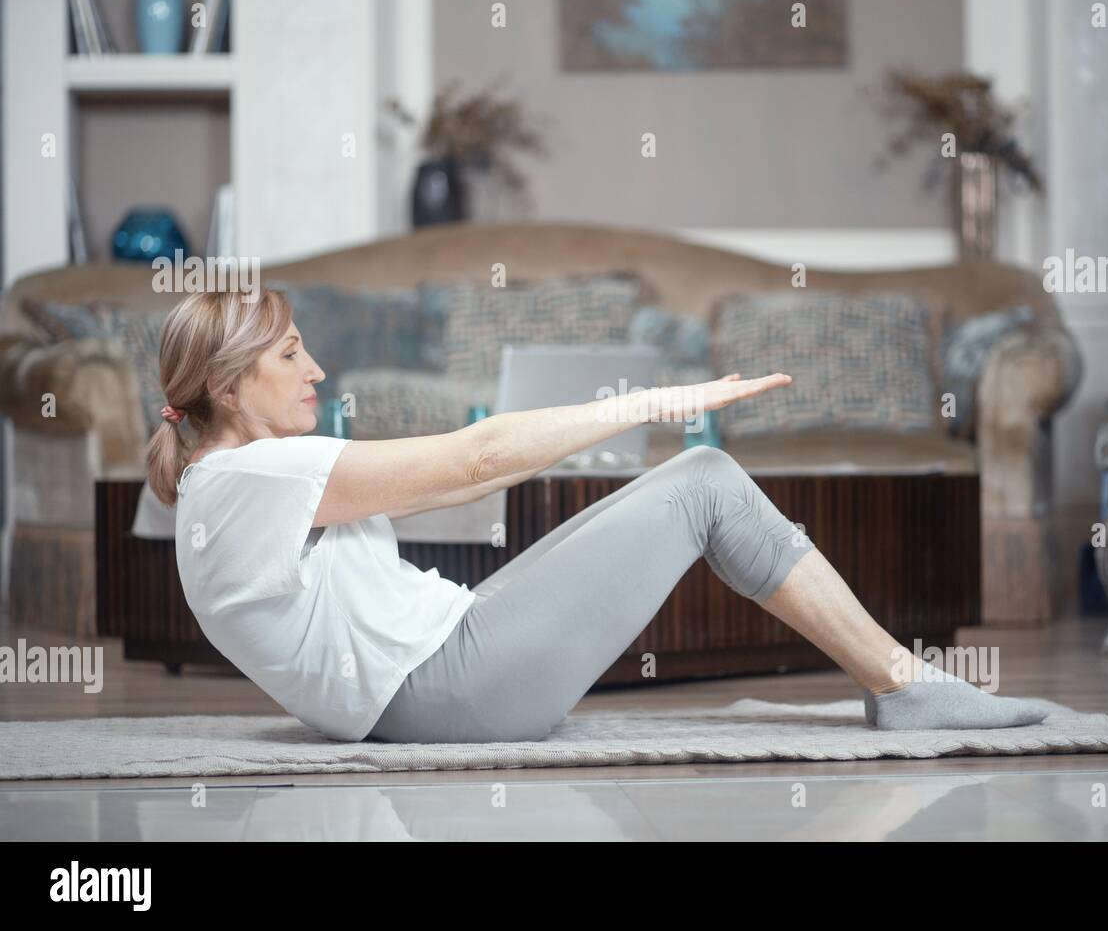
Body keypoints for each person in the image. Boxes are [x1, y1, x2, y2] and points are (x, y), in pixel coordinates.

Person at [147, 286, 1048, 744]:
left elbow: (461, 483)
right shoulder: (249, 478)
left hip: (445, 662)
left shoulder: (233, 481)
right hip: (441, 695)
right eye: (294, 355)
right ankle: (903, 686)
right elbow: (477, 458)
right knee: (703, 477)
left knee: (697, 478)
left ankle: (902, 684)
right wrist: (653, 401)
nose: (318, 372)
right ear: (229, 386)